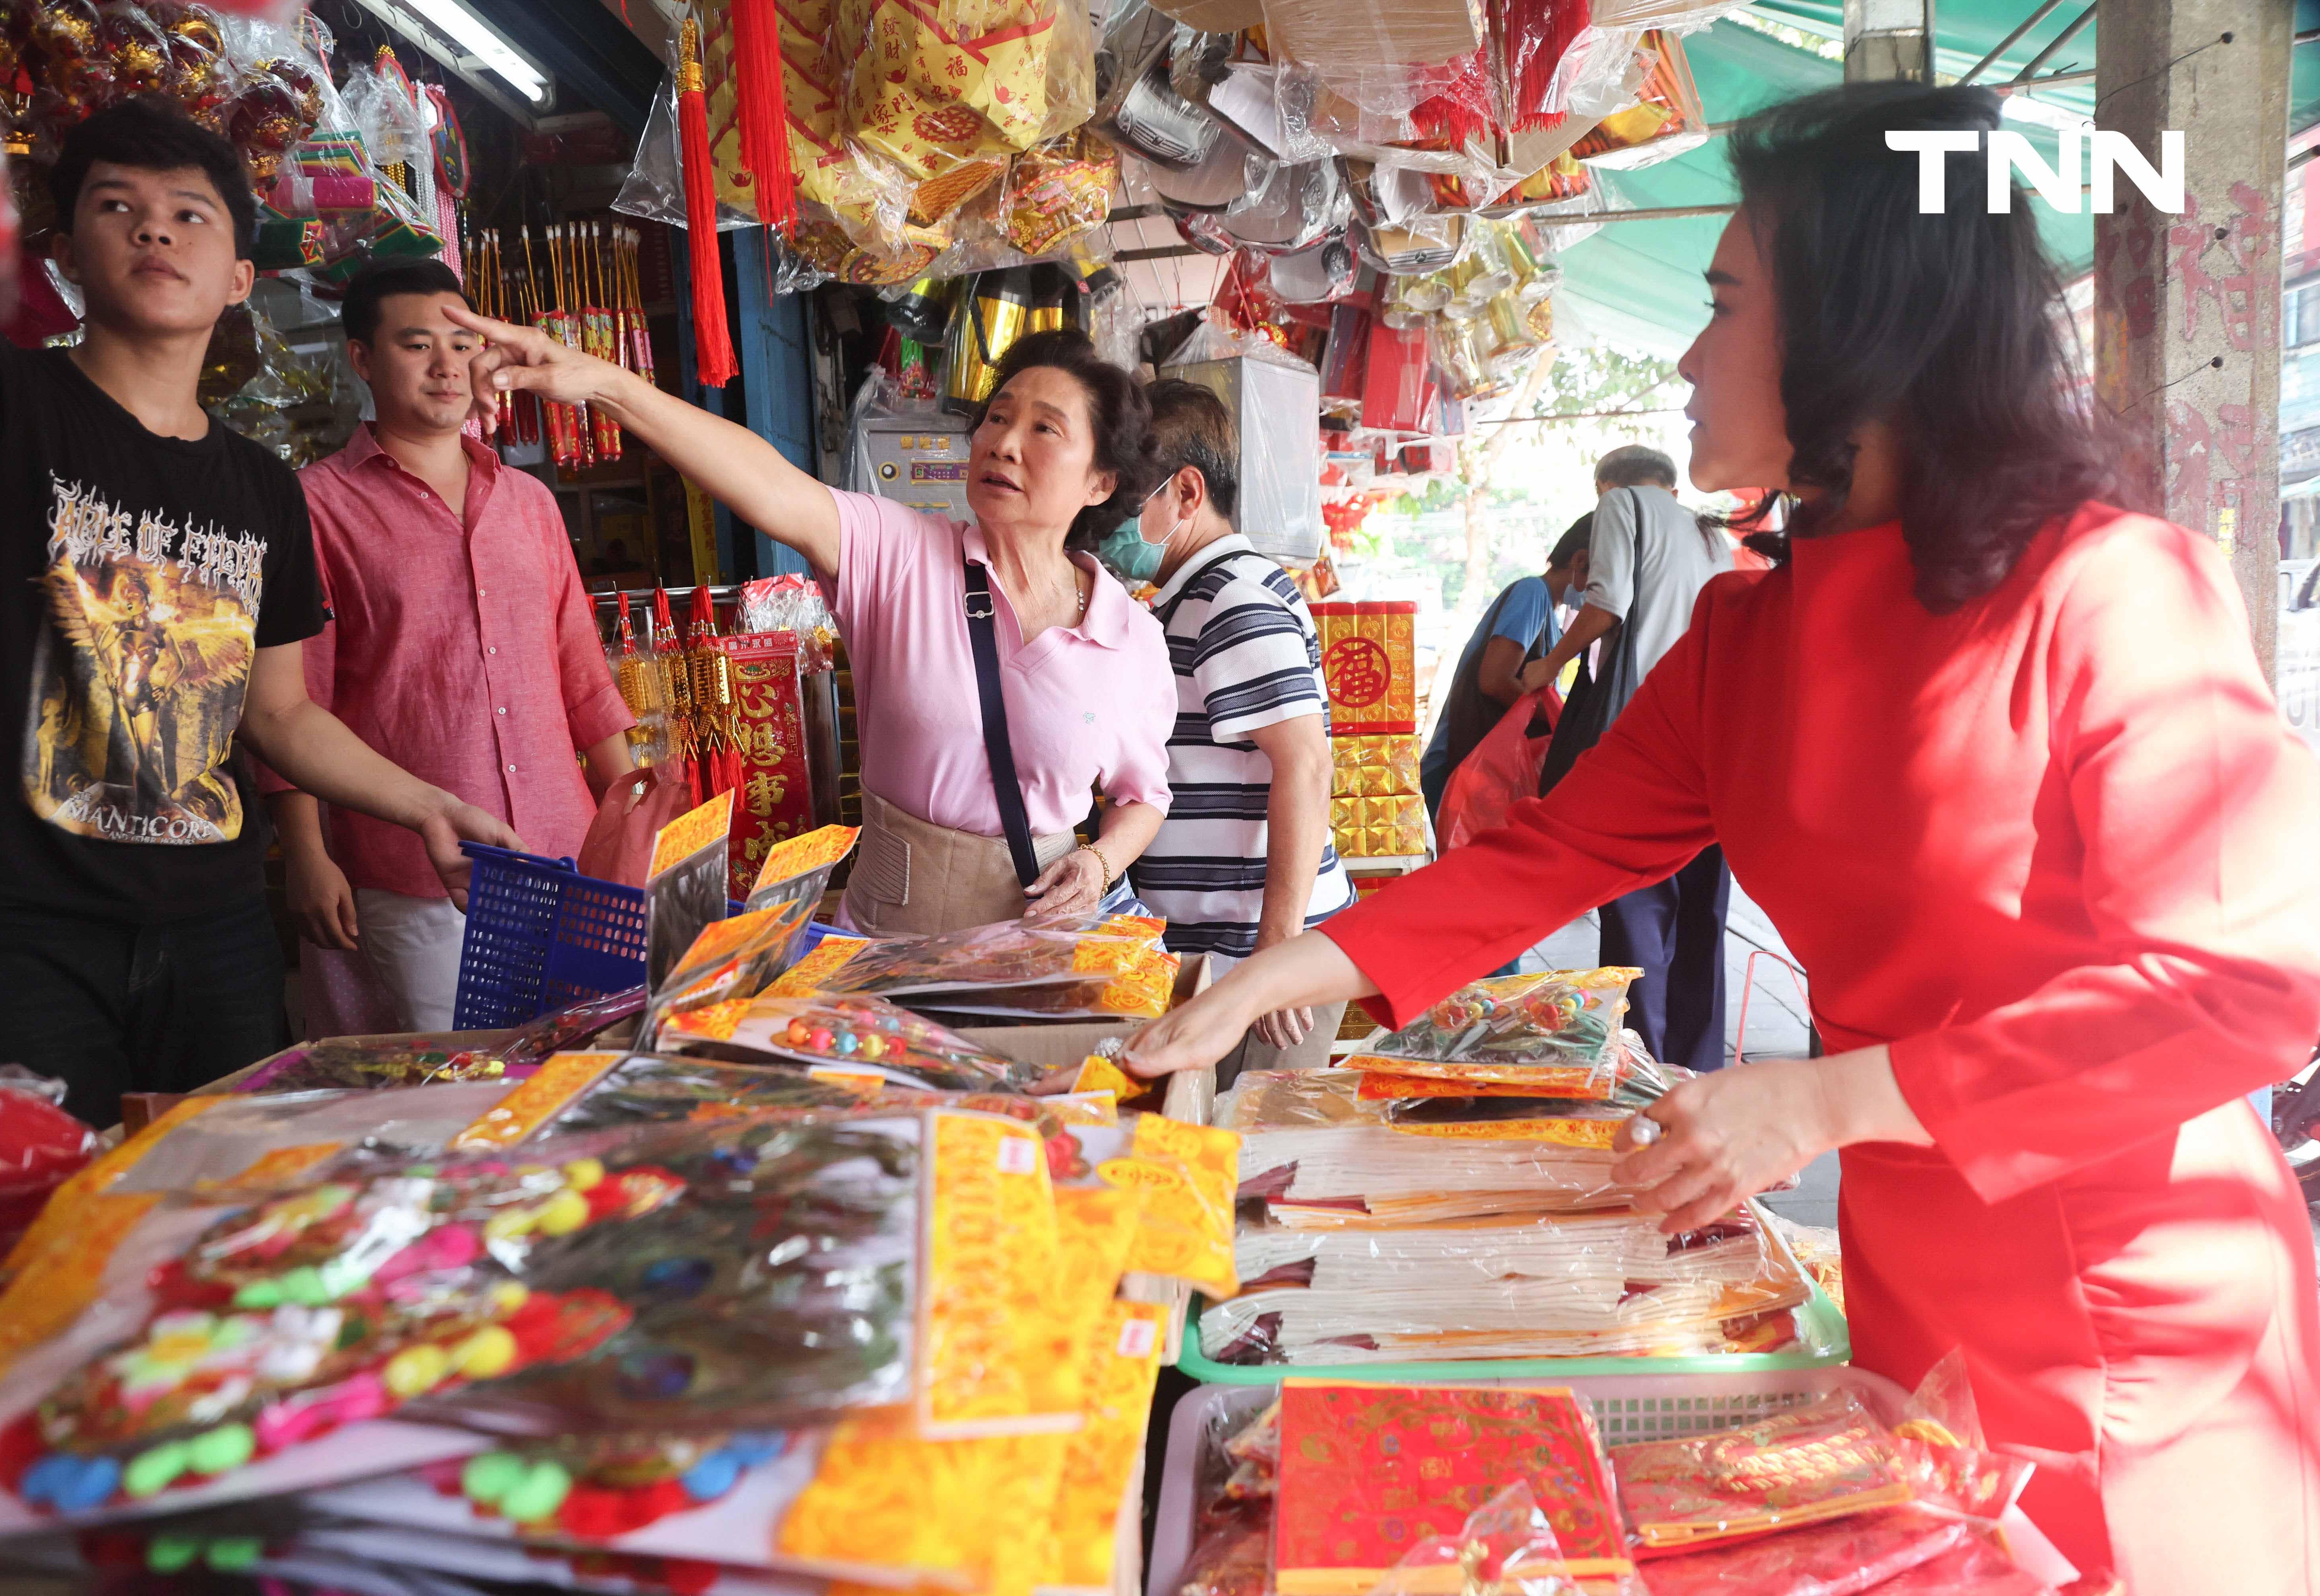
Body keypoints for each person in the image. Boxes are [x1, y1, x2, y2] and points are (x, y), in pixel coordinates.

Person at [1115, 83, 2320, 1592]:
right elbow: (1544, 858)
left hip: (2126, 1309)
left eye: (1724, 303)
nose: (1685, 357)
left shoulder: (2108, 592)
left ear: (1855, 320)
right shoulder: (1755, 631)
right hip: (1897, 1273)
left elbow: (2248, 985)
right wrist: (1261, 974)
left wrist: (1826, 1101)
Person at [0, 99, 519, 1124]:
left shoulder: (261, 488)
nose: (155, 228)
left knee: (225, 1208)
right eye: (118, 207)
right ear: (66, 253)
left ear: (242, 278)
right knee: (36, 1227)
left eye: (191, 214)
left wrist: (423, 803)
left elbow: (280, 712)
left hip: (216, 929)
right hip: (11, 926)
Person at [448, 313, 1174, 936]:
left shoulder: (1129, 637)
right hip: (891, 948)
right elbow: (767, 485)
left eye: (1045, 429)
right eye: (997, 416)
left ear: (1100, 482)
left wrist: (1101, 860)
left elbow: (1144, 796)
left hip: (1038, 951)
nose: (1004, 442)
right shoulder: (902, 553)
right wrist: (606, 384)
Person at [260, 260, 638, 1033]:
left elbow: (581, 673)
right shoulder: (315, 507)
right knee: (461, 1083)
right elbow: (295, 701)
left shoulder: (529, 501)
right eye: (416, 343)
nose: (445, 366)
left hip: (561, 849)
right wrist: (306, 851)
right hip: (416, 870)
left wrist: (633, 815)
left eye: (462, 344)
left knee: (590, 1062)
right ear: (363, 358)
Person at [1120, 379, 1352, 1071]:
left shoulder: (1231, 600)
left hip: (1252, 957)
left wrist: (1276, 952)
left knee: (1247, 1160)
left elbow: (1306, 765)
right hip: (1224, 953)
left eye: (1126, 493)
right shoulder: (1198, 593)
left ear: (1185, 493)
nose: (1104, 513)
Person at [1522, 444, 1737, 1071]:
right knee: (1703, 914)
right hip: (1716, 738)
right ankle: (1697, 1066)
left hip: (1650, 734)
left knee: (1638, 905)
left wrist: (1549, 664)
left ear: (1606, 486)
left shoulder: (1620, 505)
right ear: (1672, 486)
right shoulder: (1708, 532)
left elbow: (1608, 602)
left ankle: (1637, 1060)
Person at [1420, 514, 1594, 822]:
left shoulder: (1553, 619)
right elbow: (1494, 680)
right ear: (1580, 561)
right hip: (1463, 771)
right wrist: (1565, 720)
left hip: (1479, 776)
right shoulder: (1532, 593)